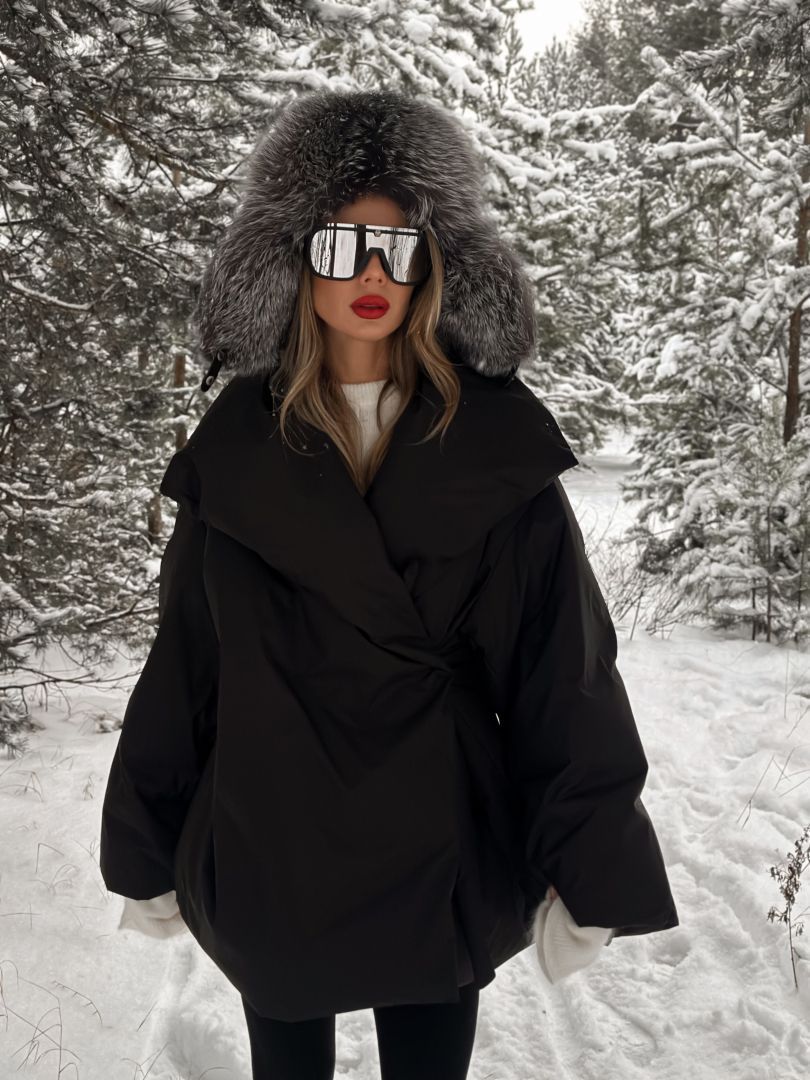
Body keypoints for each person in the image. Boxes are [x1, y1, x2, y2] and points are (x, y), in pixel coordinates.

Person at [100, 88, 679, 1080]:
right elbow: (190, 662)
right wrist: (145, 838)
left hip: (439, 835)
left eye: (397, 248)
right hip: (272, 831)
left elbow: (561, 668)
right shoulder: (235, 452)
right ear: (294, 263)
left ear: (434, 266)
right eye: (342, 246)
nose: (372, 273)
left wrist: (592, 861)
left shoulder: (495, 446)